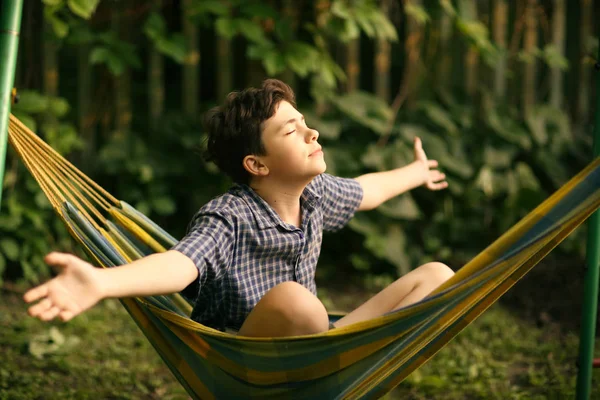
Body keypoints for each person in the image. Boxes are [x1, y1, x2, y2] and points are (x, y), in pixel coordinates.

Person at [24, 79, 453, 337]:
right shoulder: (229, 216)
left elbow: (366, 191)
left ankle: (346, 359)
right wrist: (100, 282)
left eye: (305, 123)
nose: (311, 132)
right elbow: (179, 265)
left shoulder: (315, 193)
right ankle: (328, 356)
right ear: (257, 164)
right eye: (292, 129)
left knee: (438, 276)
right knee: (297, 300)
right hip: (243, 358)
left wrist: (416, 173)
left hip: (319, 342)